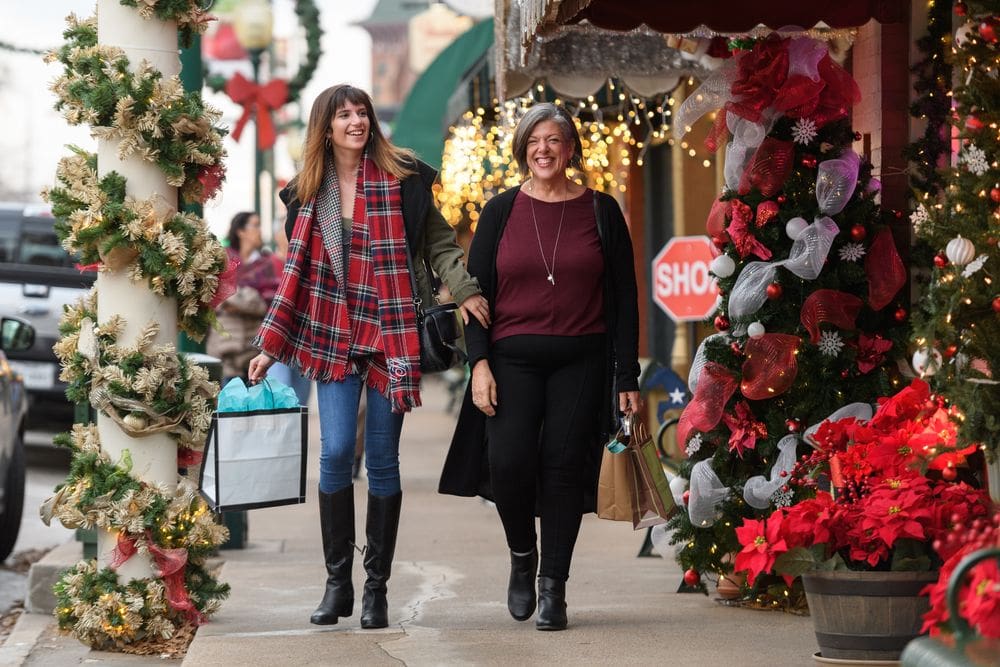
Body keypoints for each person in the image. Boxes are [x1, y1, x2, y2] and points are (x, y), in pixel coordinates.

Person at [247, 84, 489, 630]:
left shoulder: (405, 180)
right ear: (325, 128)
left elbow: (439, 244)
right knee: (335, 455)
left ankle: (375, 588)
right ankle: (338, 585)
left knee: (381, 461)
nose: (356, 121)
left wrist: (465, 287)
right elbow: (296, 279)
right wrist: (270, 346)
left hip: (391, 335)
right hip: (333, 339)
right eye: (344, 115)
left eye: (362, 113)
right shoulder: (306, 193)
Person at [439, 102, 641, 631]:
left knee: (563, 468)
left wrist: (627, 378)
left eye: (554, 140)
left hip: (583, 360)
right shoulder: (500, 211)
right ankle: (522, 556)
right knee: (508, 463)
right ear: (523, 149)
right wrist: (478, 363)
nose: (544, 149)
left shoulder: (601, 209)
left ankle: (554, 586)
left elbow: (624, 298)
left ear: (570, 148)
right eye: (534, 141)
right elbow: (473, 295)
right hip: (511, 360)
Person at [206, 211, 283, 382]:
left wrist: (235, 300)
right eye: (255, 225)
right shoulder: (224, 261)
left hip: (254, 347)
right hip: (225, 347)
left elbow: (269, 302)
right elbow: (213, 294)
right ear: (241, 231)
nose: (260, 231)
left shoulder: (266, 263)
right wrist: (245, 299)